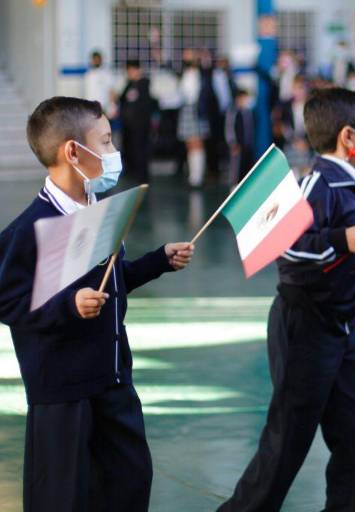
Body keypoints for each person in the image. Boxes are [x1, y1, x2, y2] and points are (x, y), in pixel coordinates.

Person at [0, 96, 194, 511]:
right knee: (63, 499)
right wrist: (69, 306)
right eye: (105, 142)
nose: (113, 153)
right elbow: (9, 303)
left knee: (129, 484)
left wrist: (157, 262)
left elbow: (112, 283)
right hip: (63, 396)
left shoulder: (100, 212)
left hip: (113, 380)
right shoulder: (30, 229)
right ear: (73, 152)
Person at [217, 88, 355, 512]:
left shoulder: (351, 185)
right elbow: (288, 248)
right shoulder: (318, 183)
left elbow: (342, 269)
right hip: (305, 327)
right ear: (350, 137)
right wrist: (339, 239)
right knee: (286, 442)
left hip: (341, 327)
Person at [119, 59, 155, 183]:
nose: (130, 73)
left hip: (141, 124)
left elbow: (146, 105)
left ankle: (142, 176)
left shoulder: (144, 84)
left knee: (141, 150)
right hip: (129, 125)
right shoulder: (129, 84)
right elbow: (122, 99)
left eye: (132, 70)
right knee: (131, 149)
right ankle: (133, 172)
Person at [178, 49, 209, 188]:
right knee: (190, 144)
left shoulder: (201, 73)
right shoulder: (184, 73)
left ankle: (198, 177)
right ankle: (193, 176)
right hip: (186, 107)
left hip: (196, 108)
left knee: (196, 142)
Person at [225, 89, 256, 186]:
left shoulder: (248, 113)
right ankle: (234, 188)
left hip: (247, 146)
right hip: (237, 147)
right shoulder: (233, 113)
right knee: (236, 170)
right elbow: (229, 128)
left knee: (247, 169)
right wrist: (232, 143)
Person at [83, 50, 115, 117]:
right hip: (90, 108)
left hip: (103, 108)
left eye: (98, 59)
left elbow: (111, 91)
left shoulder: (106, 74)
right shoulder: (88, 74)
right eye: (94, 59)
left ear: (101, 60)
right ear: (92, 60)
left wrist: (111, 106)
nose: (96, 61)